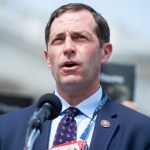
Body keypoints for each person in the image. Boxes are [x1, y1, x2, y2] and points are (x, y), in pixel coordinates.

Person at [0, 3, 150, 150]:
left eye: (80, 37)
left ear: (105, 52)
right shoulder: (6, 129)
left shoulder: (141, 131)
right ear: (47, 58)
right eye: (58, 40)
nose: (68, 48)